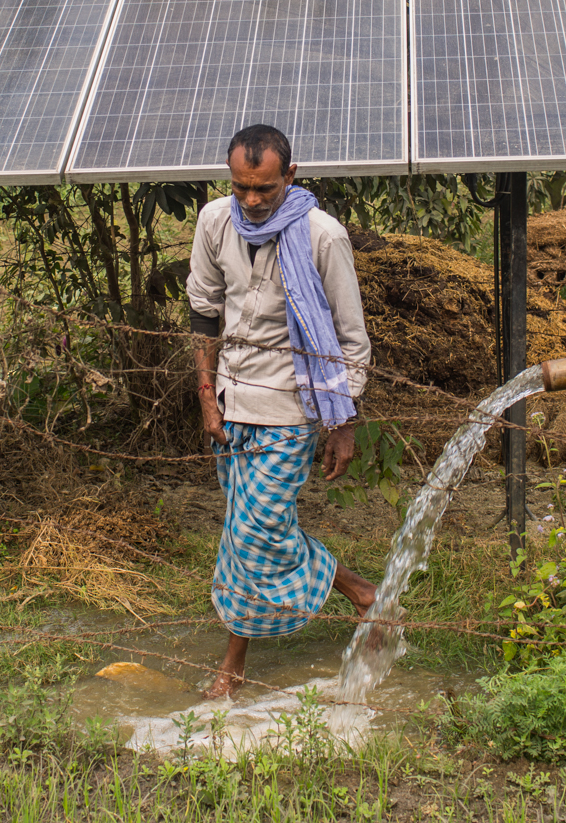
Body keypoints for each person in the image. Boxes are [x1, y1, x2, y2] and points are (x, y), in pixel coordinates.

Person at [186, 123, 377, 699]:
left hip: (292, 406)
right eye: (241, 187)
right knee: (239, 534)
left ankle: (360, 593)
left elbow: (351, 339)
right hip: (231, 400)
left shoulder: (323, 236)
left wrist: (342, 426)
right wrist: (205, 396)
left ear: (289, 176)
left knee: (257, 530)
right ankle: (235, 662)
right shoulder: (215, 222)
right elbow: (203, 308)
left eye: (263, 189)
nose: (250, 199)